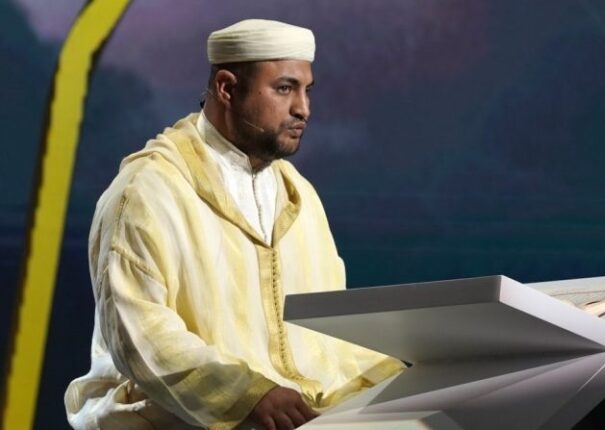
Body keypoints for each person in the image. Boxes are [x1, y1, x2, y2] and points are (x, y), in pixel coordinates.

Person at [64, 19, 405, 430]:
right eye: (285, 88)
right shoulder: (147, 192)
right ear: (226, 88)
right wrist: (247, 394)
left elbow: (327, 340)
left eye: (307, 90)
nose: (303, 108)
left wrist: (405, 377)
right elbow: (140, 334)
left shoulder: (299, 195)